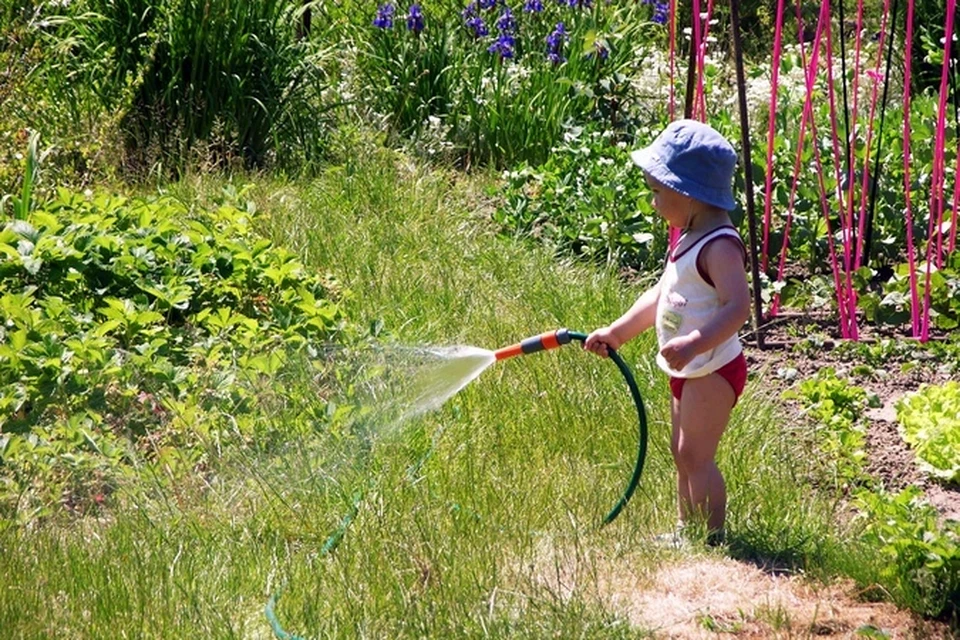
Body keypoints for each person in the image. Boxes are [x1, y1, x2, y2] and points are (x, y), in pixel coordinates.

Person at [584, 119, 751, 545]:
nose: (654, 202)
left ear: (689, 192)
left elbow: (738, 308)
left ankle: (714, 538)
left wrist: (696, 342)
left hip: (713, 368)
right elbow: (662, 293)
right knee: (682, 453)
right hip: (690, 368)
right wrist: (618, 333)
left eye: (659, 192)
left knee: (697, 454)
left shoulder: (720, 246)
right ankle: (686, 529)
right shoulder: (689, 235)